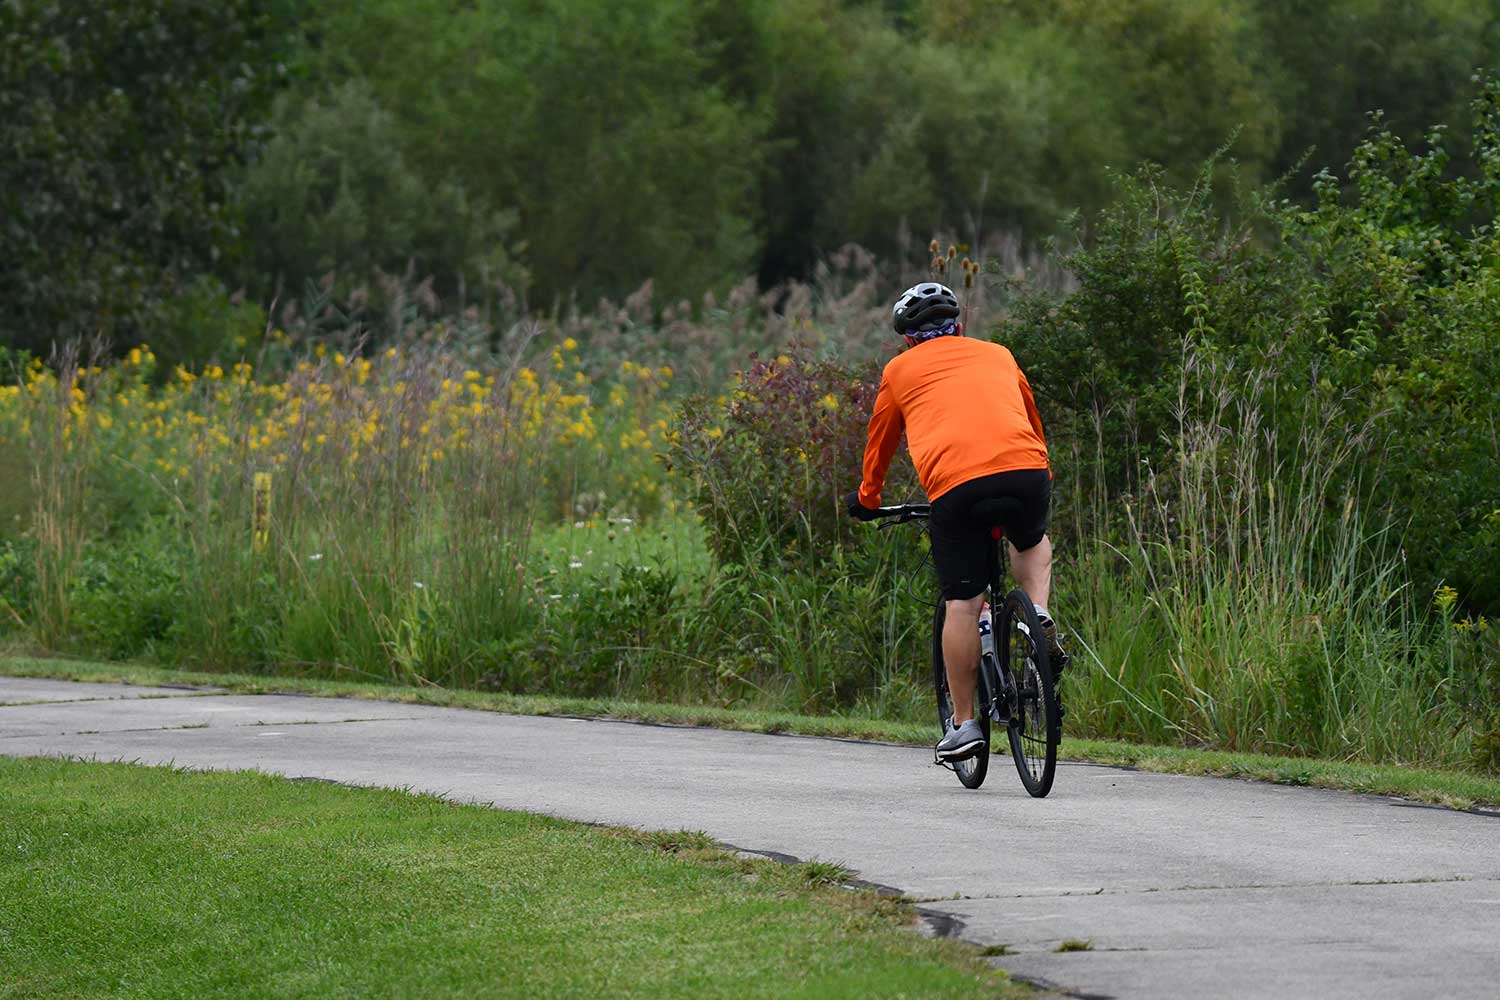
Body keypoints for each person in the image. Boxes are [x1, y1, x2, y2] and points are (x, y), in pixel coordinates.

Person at [846, 281, 1063, 762]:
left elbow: (879, 443)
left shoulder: (900, 370)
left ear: (907, 339)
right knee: (1031, 542)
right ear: (959, 326)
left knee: (963, 603)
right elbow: (1031, 418)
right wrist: (1039, 472)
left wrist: (867, 498)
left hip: (958, 487)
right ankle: (1037, 618)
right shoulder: (998, 354)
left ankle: (965, 725)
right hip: (1026, 470)